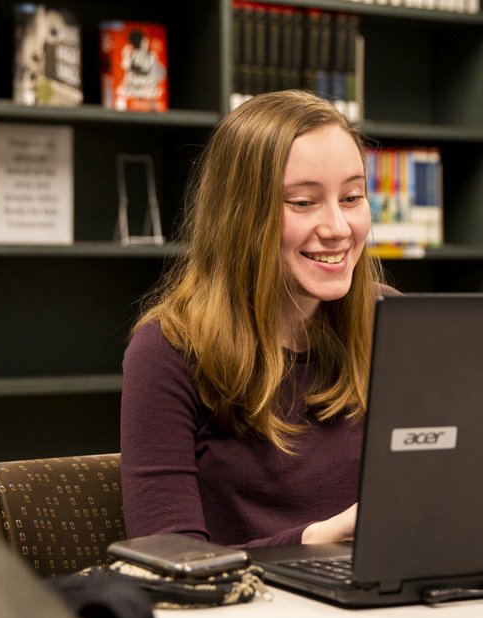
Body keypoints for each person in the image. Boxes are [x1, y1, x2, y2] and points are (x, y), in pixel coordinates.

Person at [120, 90, 385, 548]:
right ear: (241, 216)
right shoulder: (168, 350)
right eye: (303, 202)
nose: (338, 228)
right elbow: (168, 563)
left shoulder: (392, 323)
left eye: (352, 197)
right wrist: (310, 541)